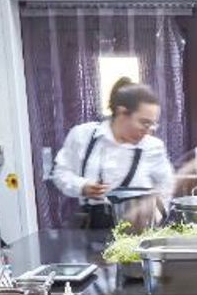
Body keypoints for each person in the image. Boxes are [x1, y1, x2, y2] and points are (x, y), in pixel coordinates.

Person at [51, 77, 175, 231]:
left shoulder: (153, 147)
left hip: (136, 228)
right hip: (90, 226)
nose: (149, 130)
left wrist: (155, 217)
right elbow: (60, 173)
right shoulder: (82, 135)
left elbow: (166, 186)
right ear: (122, 112)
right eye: (144, 123)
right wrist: (82, 186)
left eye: (152, 124)